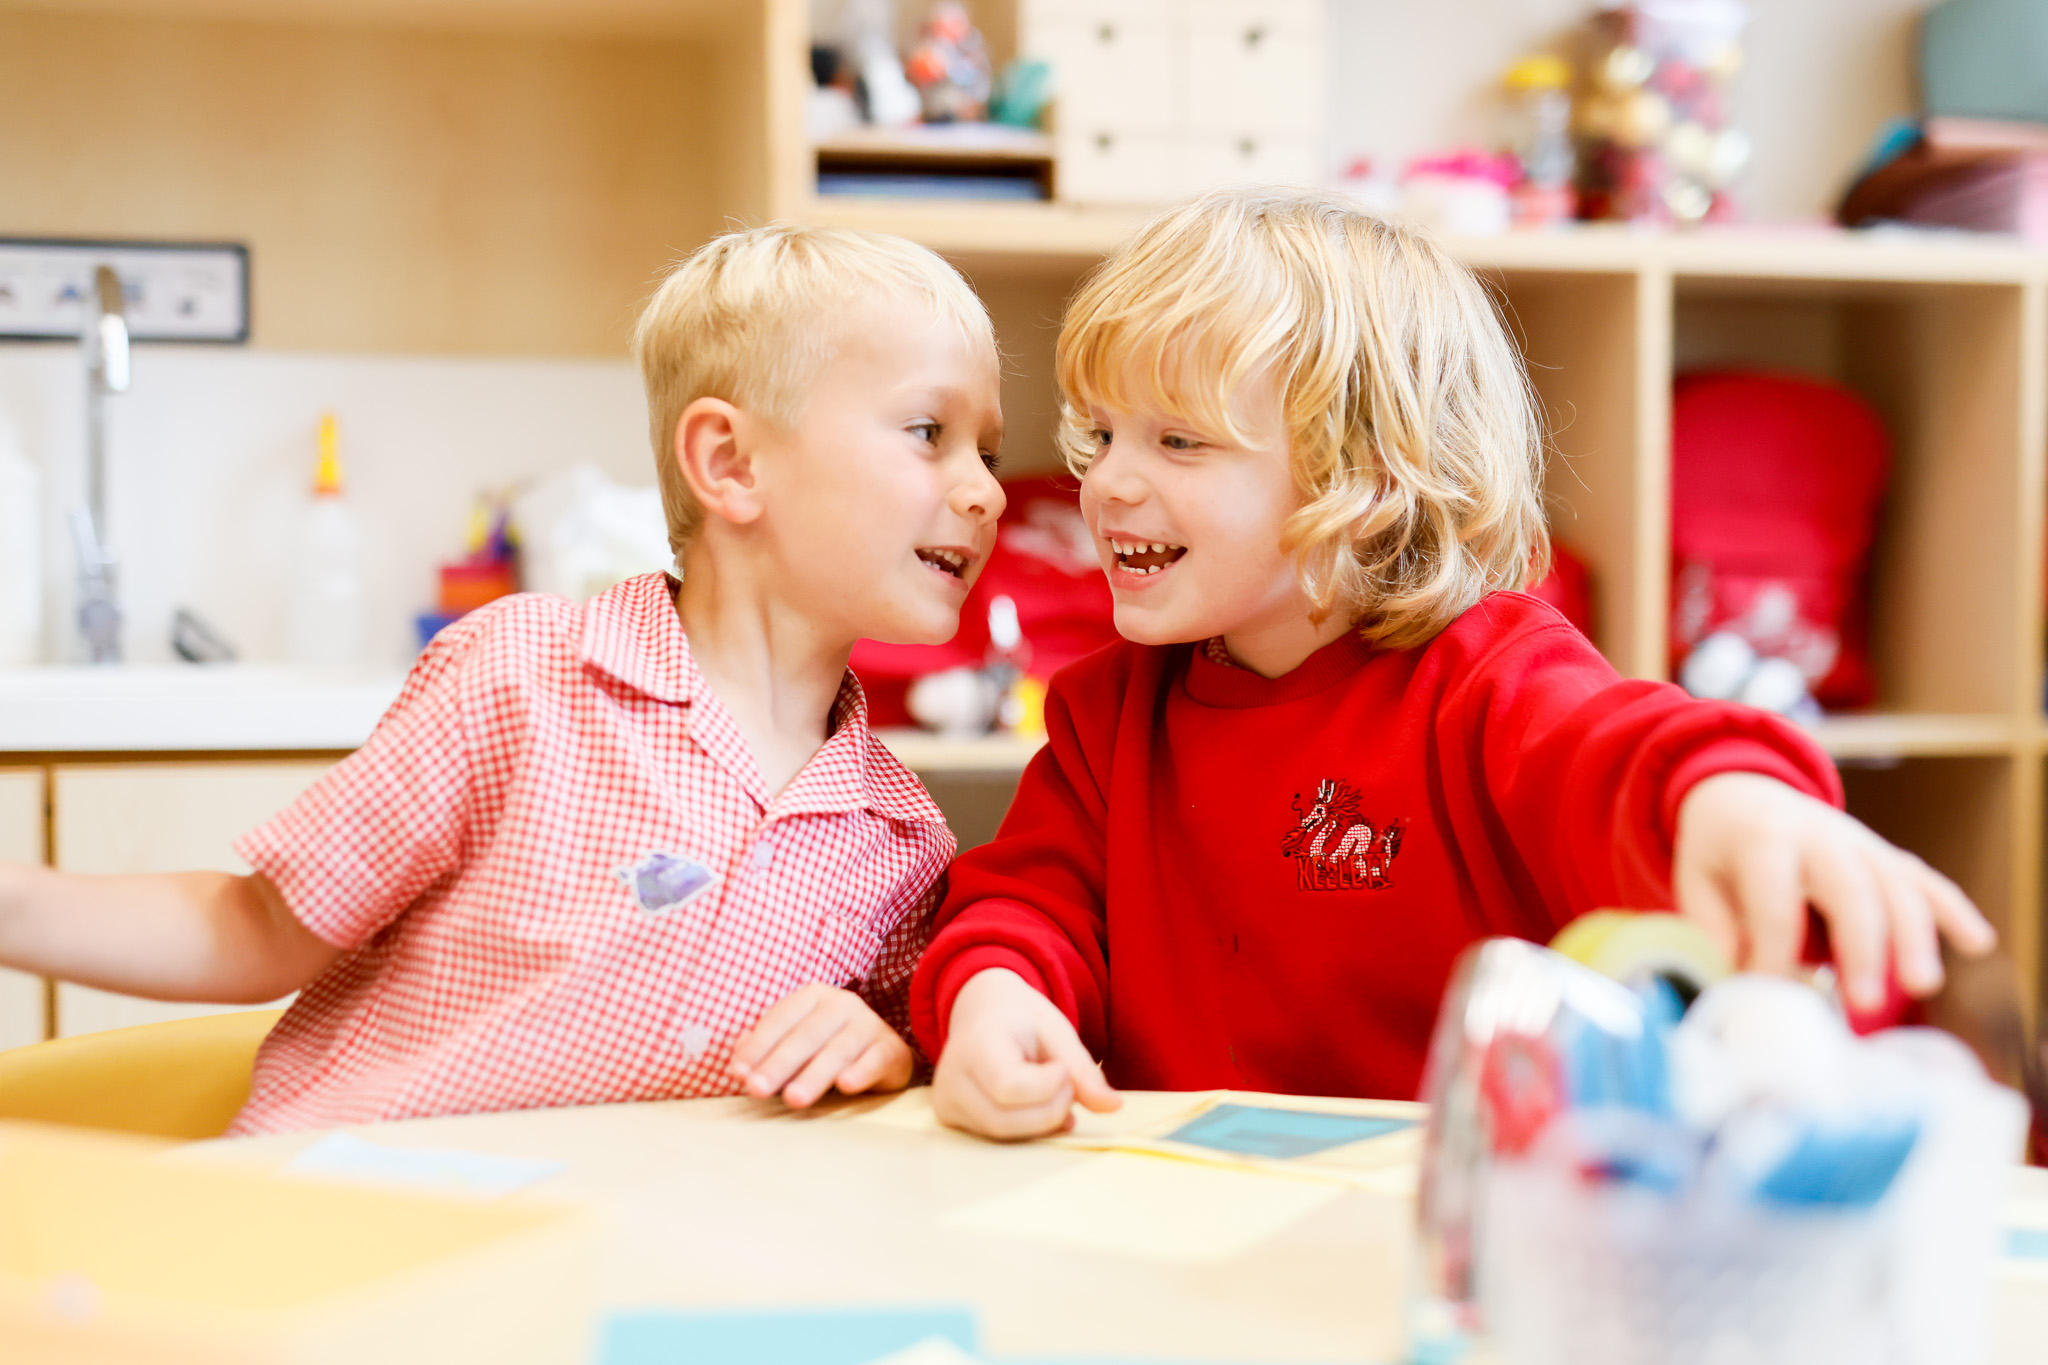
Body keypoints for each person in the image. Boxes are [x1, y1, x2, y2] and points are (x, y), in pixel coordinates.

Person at [909, 187, 1997, 1140]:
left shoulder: (1485, 675)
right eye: (1100, 436)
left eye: (1176, 441)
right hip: (1182, 1226)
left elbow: (1612, 748)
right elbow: (1029, 903)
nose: (1103, 484)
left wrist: (1726, 793)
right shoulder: (1107, 711)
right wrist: (993, 994)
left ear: (1365, 479)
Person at [0, 225, 1007, 1134]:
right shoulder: (523, 680)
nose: (986, 490)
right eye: (929, 432)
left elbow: (889, 1052)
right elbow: (257, 930)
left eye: (988, 450)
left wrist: (888, 1052)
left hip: (603, 1282)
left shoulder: (902, 837)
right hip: (349, 1228)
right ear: (729, 461)